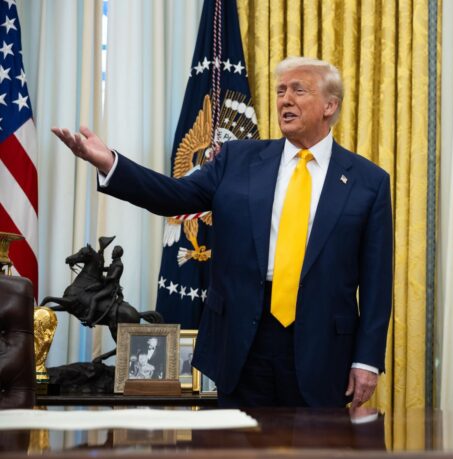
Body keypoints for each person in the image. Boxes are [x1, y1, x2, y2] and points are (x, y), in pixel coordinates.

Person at [52, 56, 393, 409]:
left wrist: (366, 359)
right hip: (242, 341)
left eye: (298, 90)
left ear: (329, 105)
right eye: (280, 90)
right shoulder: (237, 159)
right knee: (236, 456)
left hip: (322, 348)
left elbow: (376, 283)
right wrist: (110, 162)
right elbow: (173, 196)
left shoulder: (368, 183)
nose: (284, 99)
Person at [84, 245, 124, 324]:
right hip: (106, 285)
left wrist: (104, 278)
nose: (112, 253)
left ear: (117, 253)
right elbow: (104, 269)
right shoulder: (114, 263)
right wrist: (101, 255)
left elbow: (113, 277)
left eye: (113, 252)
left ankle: (89, 318)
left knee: (95, 298)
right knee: (89, 289)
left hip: (110, 288)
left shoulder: (119, 265)